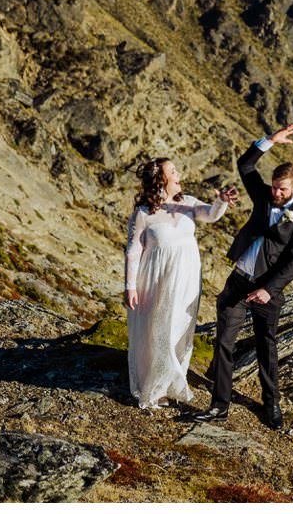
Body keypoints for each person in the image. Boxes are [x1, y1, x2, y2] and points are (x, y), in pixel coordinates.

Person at [192, 123, 293, 429]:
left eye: (282, 189)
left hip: (266, 292)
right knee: (223, 343)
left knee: (266, 347)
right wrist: (270, 141)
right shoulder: (262, 196)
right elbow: (245, 165)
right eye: (274, 186)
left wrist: (269, 290)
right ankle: (219, 406)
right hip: (238, 282)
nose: (275, 192)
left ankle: (271, 405)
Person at [123, 158, 237, 410]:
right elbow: (133, 251)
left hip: (186, 277)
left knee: (179, 326)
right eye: (173, 171)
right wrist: (129, 286)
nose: (179, 173)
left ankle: (172, 380)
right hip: (155, 278)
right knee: (158, 329)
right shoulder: (143, 213)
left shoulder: (188, 203)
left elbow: (210, 215)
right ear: (160, 180)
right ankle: (156, 386)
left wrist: (222, 202)